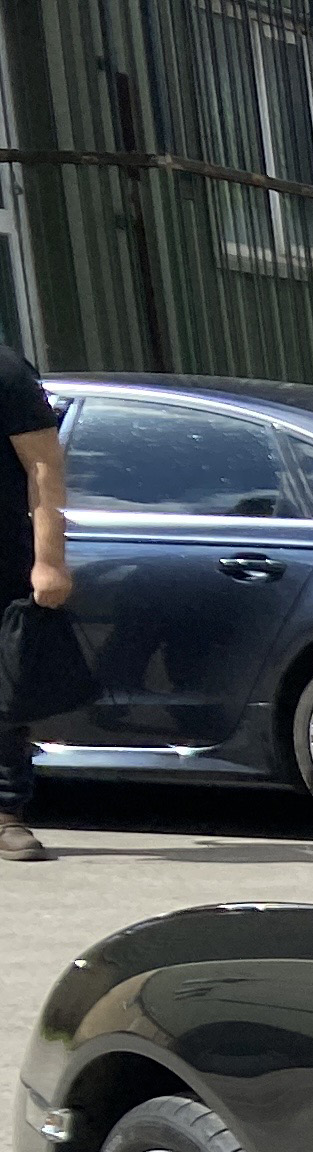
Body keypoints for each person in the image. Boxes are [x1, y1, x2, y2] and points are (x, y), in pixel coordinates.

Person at [0, 337, 69, 861]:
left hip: (3, 559)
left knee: (3, 695)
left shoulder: (5, 371)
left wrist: (48, 560)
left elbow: (44, 467)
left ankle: (5, 813)